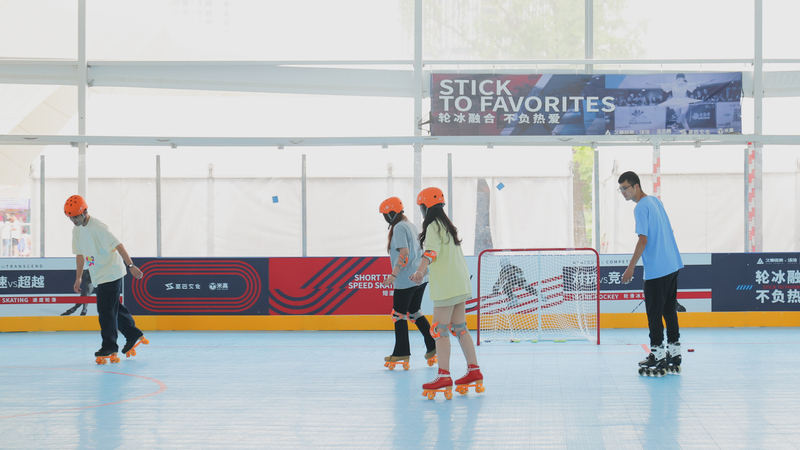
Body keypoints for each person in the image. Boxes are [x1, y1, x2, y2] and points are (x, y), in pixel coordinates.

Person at [410, 187, 483, 396]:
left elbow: (431, 252)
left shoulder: (433, 226)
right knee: (460, 328)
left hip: (448, 287)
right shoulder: (448, 226)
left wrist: (419, 272)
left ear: (425, 207)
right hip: (460, 284)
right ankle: (474, 371)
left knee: (438, 330)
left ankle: (443, 376)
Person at [64, 194, 147, 360]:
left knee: (106, 311)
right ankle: (133, 334)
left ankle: (109, 346)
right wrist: (78, 277)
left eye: (75, 217)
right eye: (70, 218)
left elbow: (118, 244)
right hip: (98, 275)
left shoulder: (98, 227)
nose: (73, 221)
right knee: (113, 307)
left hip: (111, 273)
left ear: (84, 212)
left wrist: (130, 265)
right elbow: (79, 254)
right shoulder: (77, 230)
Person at [618, 172, 684, 376]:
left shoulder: (641, 207)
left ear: (636, 186)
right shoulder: (655, 201)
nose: (623, 192)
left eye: (626, 188)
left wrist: (630, 267)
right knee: (668, 311)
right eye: (620, 189)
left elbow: (643, 240)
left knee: (654, 314)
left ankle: (657, 354)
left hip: (657, 270)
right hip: (672, 264)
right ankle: (674, 352)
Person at [378, 197, 437, 369]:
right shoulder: (410, 225)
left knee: (398, 315)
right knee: (414, 313)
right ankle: (432, 346)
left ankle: (401, 352)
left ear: (391, 213)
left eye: (385, 215)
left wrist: (394, 275)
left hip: (406, 280)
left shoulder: (398, 227)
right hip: (419, 278)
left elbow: (403, 253)